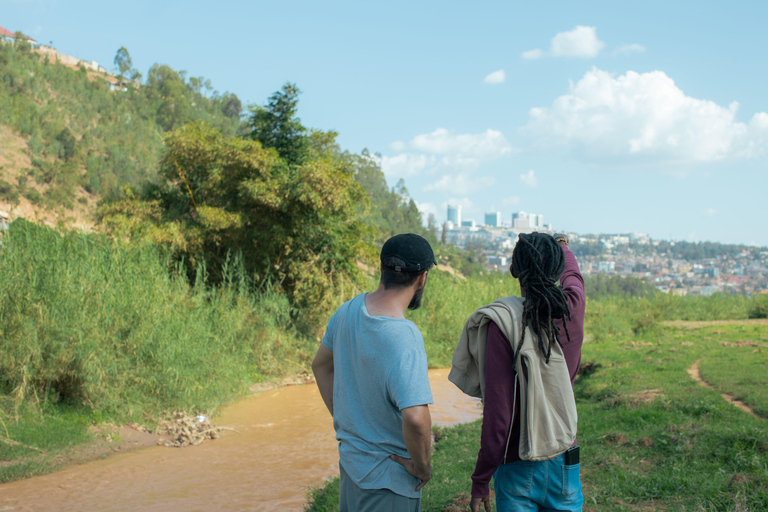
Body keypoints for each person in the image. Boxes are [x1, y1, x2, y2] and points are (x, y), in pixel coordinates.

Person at [452, 232, 586, 512]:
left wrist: (481, 479)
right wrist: (562, 246)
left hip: (517, 463)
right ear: (557, 268)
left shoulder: (503, 322)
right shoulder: (572, 307)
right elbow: (574, 277)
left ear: (514, 270)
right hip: (564, 458)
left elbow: (500, 415)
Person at [312, 233, 437, 512]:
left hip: (352, 469)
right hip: (390, 482)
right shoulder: (404, 336)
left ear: (381, 269)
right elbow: (416, 418)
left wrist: (347, 418)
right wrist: (422, 467)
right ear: (422, 278)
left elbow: (320, 366)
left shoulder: (346, 311)